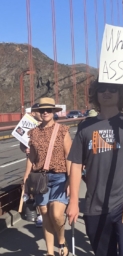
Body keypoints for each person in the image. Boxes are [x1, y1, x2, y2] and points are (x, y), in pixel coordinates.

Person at [66, 78, 123, 256]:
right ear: (95, 94)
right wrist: (73, 203)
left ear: (121, 95)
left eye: (112, 89)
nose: (107, 92)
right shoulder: (85, 126)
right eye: (102, 89)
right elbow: (76, 165)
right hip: (95, 206)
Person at [23, 97, 72, 256]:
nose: (45, 112)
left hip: (59, 177)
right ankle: (50, 252)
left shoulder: (63, 130)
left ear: (53, 112)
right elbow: (31, 158)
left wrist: (70, 180)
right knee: (45, 214)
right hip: (39, 178)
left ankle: (62, 241)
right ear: (38, 112)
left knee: (56, 214)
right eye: (42, 110)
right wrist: (26, 177)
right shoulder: (33, 132)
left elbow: (69, 157)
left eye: (48, 110)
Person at [20, 103, 44, 227]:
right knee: (36, 189)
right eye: (37, 111)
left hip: (46, 162)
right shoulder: (27, 126)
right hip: (33, 162)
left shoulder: (48, 123)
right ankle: (40, 215)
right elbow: (22, 145)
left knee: (46, 188)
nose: (40, 113)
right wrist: (25, 150)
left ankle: (48, 212)